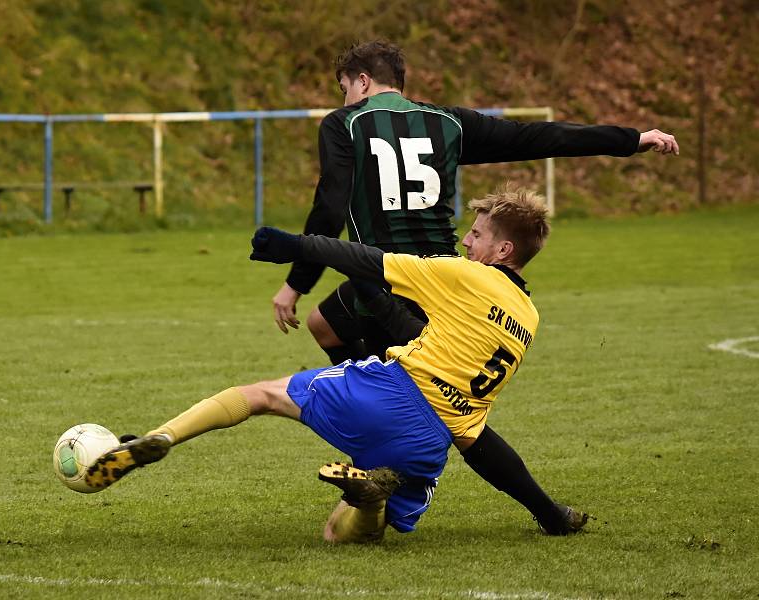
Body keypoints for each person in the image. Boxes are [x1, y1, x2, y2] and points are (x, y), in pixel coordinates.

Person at [266, 39, 679, 533]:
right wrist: (629, 139)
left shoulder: (344, 123)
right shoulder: (448, 123)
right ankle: (378, 441)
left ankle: (530, 508)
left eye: (344, 88)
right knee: (326, 324)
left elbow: (331, 205)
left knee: (458, 423)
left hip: (390, 283)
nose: (346, 98)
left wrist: (295, 281)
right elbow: (537, 137)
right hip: (444, 278)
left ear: (360, 81)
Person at [85, 186, 586, 543]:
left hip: (393, 391)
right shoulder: (528, 317)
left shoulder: (464, 276)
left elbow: (369, 260)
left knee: (261, 395)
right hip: (433, 440)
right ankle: (370, 501)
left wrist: (296, 247)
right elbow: (475, 430)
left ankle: (161, 438)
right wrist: (545, 510)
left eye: (476, 235)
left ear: (503, 249)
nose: (465, 243)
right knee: (339, 531)